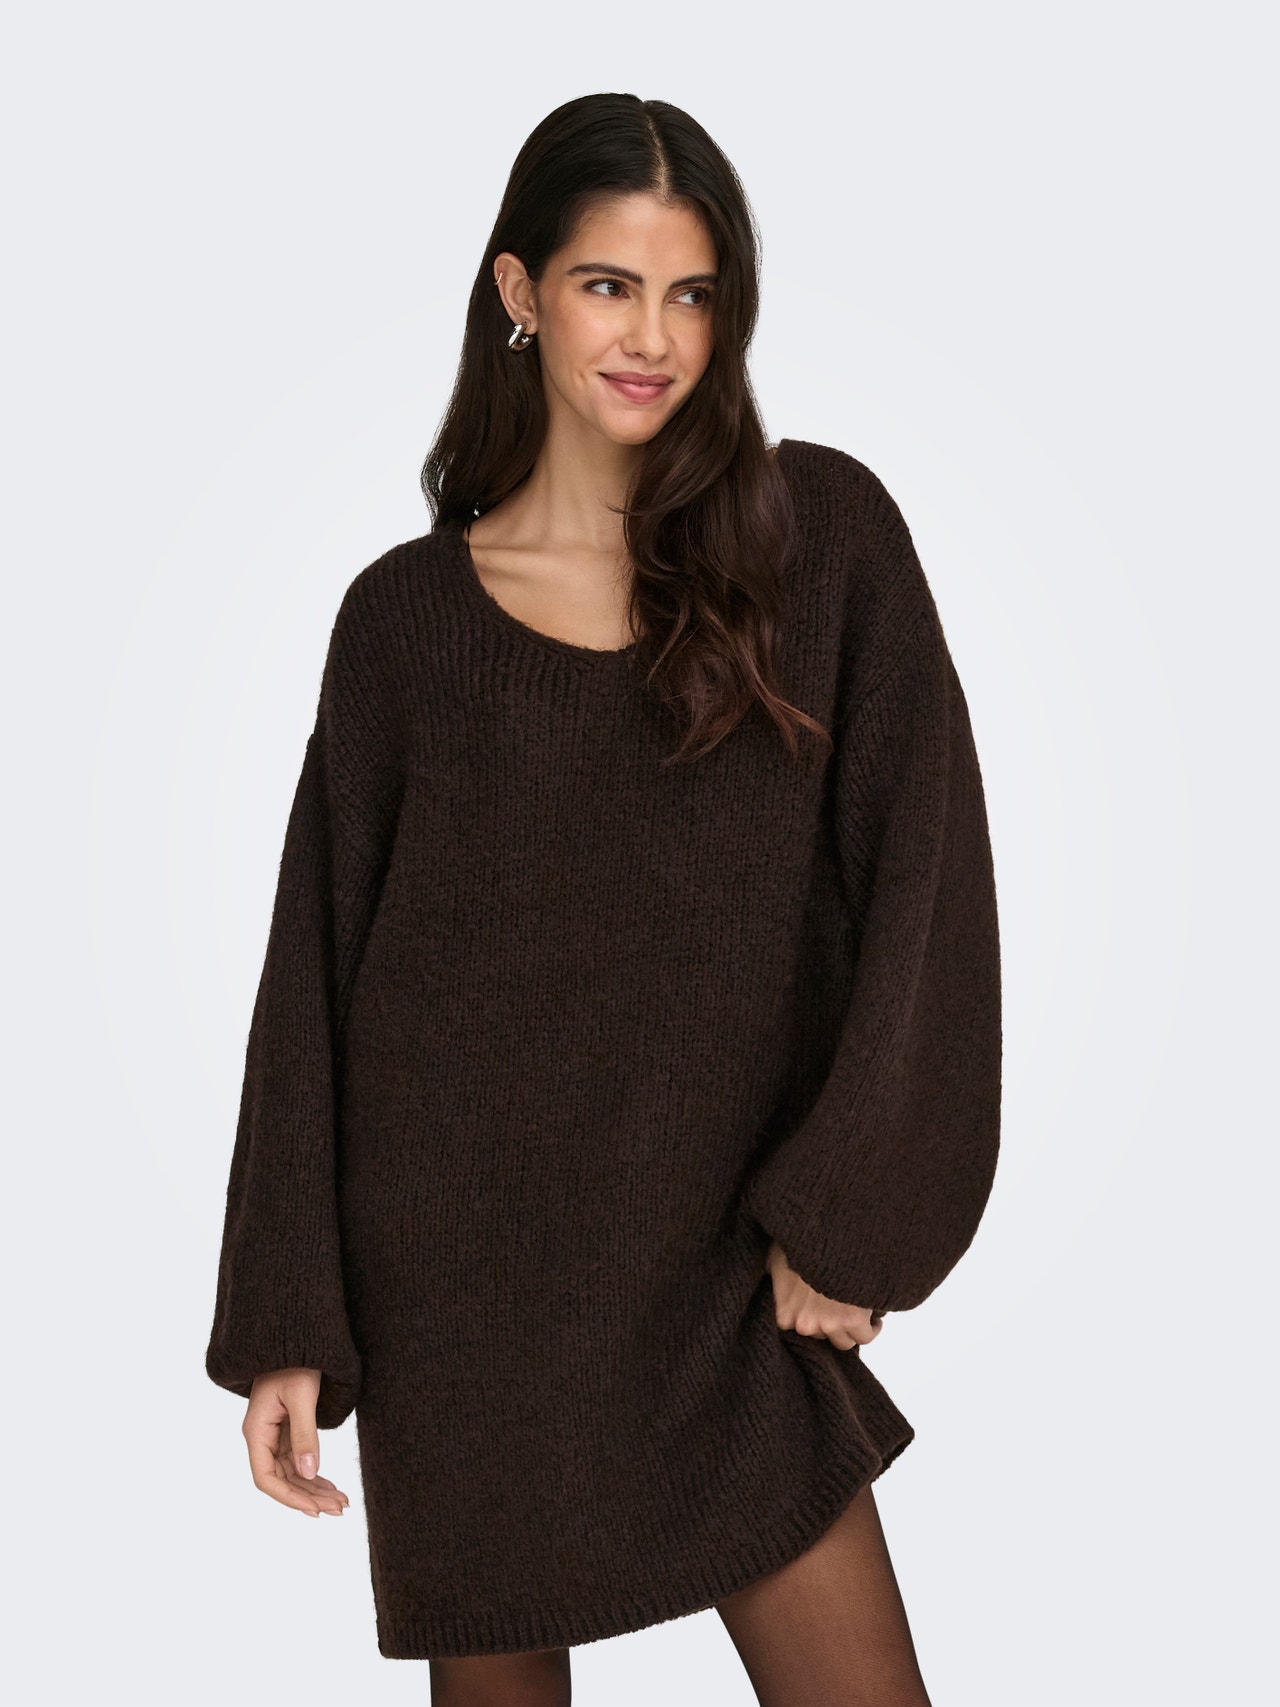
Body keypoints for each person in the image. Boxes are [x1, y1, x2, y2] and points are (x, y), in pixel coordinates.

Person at [205, 91, 1002, 1707]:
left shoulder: (818, 541)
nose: (653, 337)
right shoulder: (405, 627)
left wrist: (853, 1214)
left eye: (693, 292)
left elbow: (929, 883)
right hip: (462, 1297)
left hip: (723, 1278)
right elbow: (316, 980)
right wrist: (292, 1313)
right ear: (519, 292)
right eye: (607, 285)